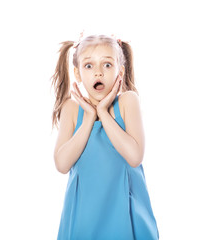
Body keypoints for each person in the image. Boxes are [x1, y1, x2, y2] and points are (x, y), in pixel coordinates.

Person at [50, 33, 160, 240]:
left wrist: (103, 112)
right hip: (83, 218)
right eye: (89, 66)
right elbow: (62, 164)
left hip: (125, 217)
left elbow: (135, 156)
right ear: (78, 73)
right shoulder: (72, 109)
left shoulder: (128, 101)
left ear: (120, 70)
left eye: (107, 65)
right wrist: (89, 117)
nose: (98, 72)